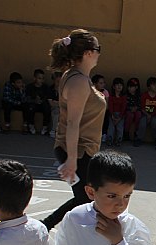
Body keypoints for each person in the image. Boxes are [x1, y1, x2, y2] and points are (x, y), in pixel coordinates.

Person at [41, 29, 106, 231]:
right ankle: (45, 227)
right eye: (98, 49)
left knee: (85, 198)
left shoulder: (78, 77)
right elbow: (72, 123)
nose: (99, 54)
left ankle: (46, 226)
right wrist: (71, 159)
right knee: (86, 198)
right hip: (78, 150)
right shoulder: (78, 81)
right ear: (87, 53)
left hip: (83, 149)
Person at [25, 69, 52, 135]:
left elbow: (47, 97)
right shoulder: (29, 87)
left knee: (47, 107)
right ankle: (31, 125)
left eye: (43, 78)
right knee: (30, 107)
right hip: (33, 104)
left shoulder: (45, 87)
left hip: (42, 104)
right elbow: (27, 98)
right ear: (34, 78)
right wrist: (34, 101)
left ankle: (45, 127)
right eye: (39, 78)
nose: (41, 80)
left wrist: (42, 101)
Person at [137, 76, 156, 147]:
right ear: (149, 86)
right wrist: (147, 115)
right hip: (145, 114)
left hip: (153, 115)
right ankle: (138, 139)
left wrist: (151, 115)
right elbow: (142, 107)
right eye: (154, 85)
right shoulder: (144, 95)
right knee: (142, 123)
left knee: (154, 123)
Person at [107, 77, 127, 146]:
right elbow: (110, 106)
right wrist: (112, 115)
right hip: (112, 114)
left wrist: (120, 117)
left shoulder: (123, 97)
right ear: (113, 86)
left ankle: (119, 140)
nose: (119, 86)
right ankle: (109, 139)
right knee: (111, 127)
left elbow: (123, 107)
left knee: (120, 128)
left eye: (121, 85)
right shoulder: (111, 96)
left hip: (121, 115)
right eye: (117, 85)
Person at [124, 77, 141, 142]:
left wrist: (136, 108)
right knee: (130, 115)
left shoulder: (138, 96)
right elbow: (125, 105)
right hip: (128, 111)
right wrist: (130, 108)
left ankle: (136, 132)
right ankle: (126, 132)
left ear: (136, 87)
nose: (129, 88)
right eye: (128, 87)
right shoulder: (126, 95)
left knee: (138, 114)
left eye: (131, 87)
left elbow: (140, 105)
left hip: (136, 111)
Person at [48, 71, 62, 139]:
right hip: (54, 108)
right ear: (53, 81)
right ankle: (53, 130)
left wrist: (57, 102)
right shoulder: (50, 89)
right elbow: (51, 103)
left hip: (63, 108)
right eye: (57, 81)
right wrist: (60, 103)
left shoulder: (65, 89)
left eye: (61, 81)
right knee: (56, 112)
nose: (59, 83)